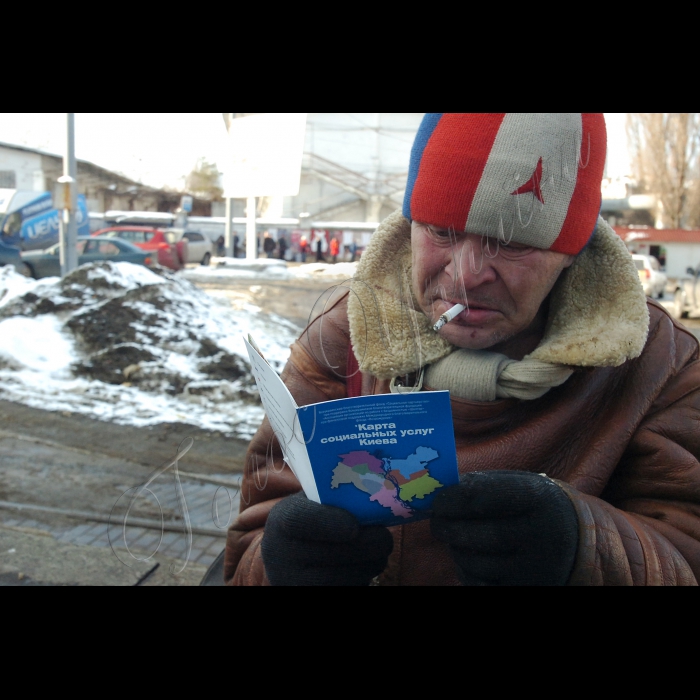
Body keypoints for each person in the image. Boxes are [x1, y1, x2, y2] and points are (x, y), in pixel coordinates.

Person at [224, 113, 700, 586]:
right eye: (442, 232)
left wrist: (586, 546)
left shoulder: (659, 366)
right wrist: (282, 561)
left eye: (510, 243)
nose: (467, 276)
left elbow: (688, 550)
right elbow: (249, 541)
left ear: (570, 252)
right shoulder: (343, 335)